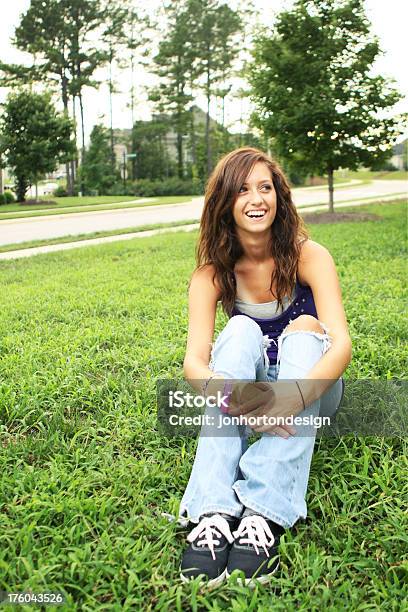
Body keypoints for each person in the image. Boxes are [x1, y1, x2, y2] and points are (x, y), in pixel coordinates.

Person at [178, 147, 352, 587]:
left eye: (265, 187)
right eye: (242, 190)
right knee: (237, 330)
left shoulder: (310, 255)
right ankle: (213, 514)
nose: (256, 199)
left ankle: (262, 514)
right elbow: (195, 363)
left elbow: (342, 345)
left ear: (279, 197)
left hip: (311, 390)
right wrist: (233, 395)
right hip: (250, 397)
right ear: (225, 203)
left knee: (306, 326)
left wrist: (289, 396)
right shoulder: (211, 275)